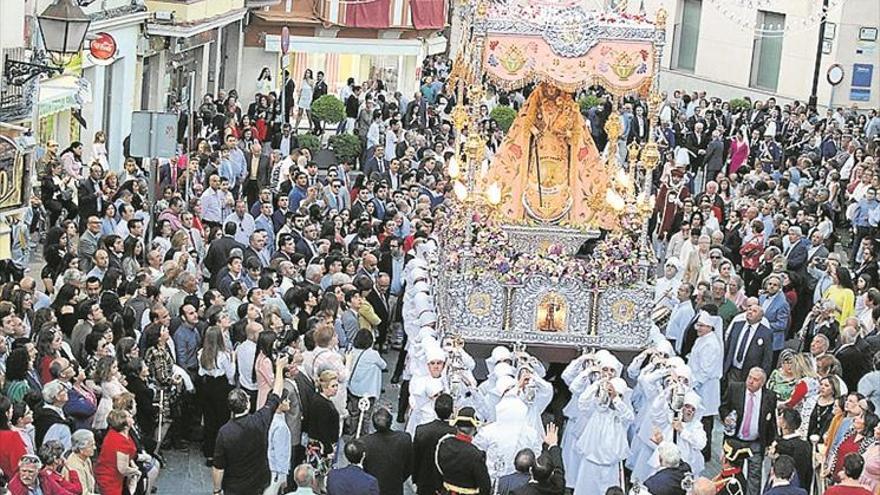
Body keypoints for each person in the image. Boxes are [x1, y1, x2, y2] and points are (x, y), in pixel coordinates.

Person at [212, 353, 289, 495]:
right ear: (247, 404)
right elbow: (276, 395)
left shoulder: (225, 432)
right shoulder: (260, 420)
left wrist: (217, 490)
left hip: (234, 486)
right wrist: (279, 369)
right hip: (258, 483)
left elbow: (218, 466)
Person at [718, 367, 778, 495]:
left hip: (755, 442)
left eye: (755, 380)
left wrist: (769, 443)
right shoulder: (735, 388)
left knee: (755, 477)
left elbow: (771, 421)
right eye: (749, 377)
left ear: (762, 383)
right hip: (735, 439)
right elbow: (723, 407)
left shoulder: (770, 397)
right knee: (731, 473)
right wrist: (726, 417)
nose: (750, 381)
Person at [435, 407, 492, 495]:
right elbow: (485, 486)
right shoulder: (476, 455)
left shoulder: (443, 443)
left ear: (457, 426)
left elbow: (439, 469)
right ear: (474, 429)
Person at [359, 408, 412, 495]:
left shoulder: (364, 442)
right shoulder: (404, 438)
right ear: (391, 422)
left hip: (371, 488)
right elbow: (409, 466)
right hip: (394, 486)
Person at [412, 393, 456, 495]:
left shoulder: (421, 430)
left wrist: (415, 479)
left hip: (424, 480)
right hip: (446, 484)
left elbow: (415, 458)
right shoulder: (454, 433)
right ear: (452, 411)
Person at [94, 409, 141, 495]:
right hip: (111, 479)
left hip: (113, 475)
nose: (131, 416)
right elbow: (122, 469)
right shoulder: (121, 442)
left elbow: (127, 456)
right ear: (125, 425)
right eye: (129, 416)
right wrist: (136, 471)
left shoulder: (115, 433)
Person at [510, 423, 564, 495]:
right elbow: (559, 469)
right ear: (552, 473)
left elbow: (558, 470)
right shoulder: (557, 489)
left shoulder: (518, 492)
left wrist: (547, 445)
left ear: (530, 470)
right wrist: (553, 445)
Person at [66, 429, 98, 495]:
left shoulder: (86, 459)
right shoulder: (74, 466)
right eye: (91, 445)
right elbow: (83, 493)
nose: (94, 448)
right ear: (81, 449)